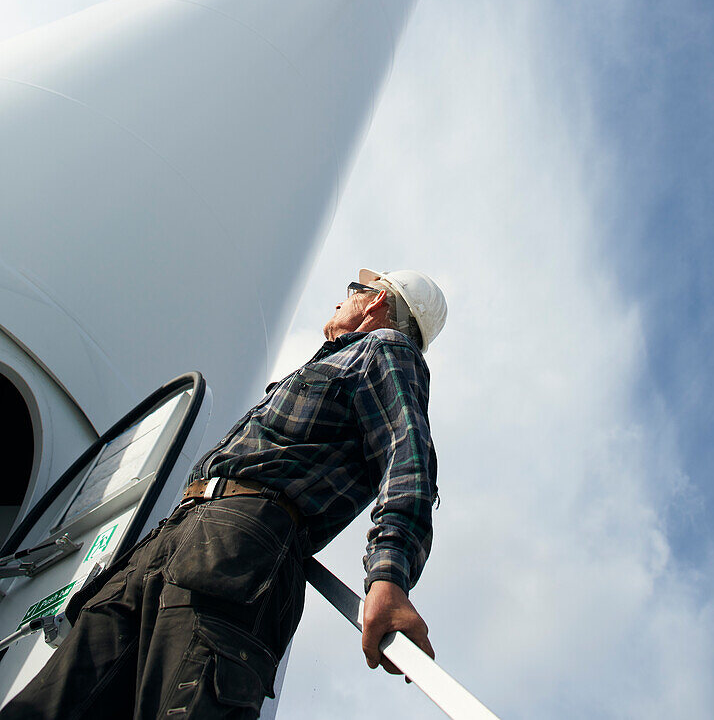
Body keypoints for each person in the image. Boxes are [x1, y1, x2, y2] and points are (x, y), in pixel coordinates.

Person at [1, 267, 446, 719]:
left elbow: (408, 458)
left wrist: (389, 577)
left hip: (243, 547)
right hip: (178, 534)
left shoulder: (387, 351)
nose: (340, 299)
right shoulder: (326, 363)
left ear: (375, 302)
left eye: (354, 290)